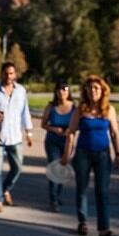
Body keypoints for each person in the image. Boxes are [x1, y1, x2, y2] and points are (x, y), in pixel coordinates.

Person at [61, 75, 119, 236]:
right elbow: (71, 133)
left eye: (97, 88)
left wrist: (117, 154)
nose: (93, 91)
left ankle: (104, 229)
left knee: (102, 192)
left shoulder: (109, 110)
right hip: (83, 154)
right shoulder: (80, 110)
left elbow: (115, 133)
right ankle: (83, 222)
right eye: (90, 88)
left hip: (102, 154)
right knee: (82, 189)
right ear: (86, 91)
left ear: (103, 91)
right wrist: (66, 155)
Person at [0, 62, 33, 212]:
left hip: (15, 137)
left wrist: (29, 132)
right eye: (5, 73)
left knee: (17, 168)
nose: (8, 76)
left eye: (11, 73)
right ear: (1, 74)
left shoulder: (21, 91)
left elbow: (25, 112)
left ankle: (5, 189)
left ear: (15, 74)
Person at [40, 80, 75, 212]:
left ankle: (58, 194)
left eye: (65, 89)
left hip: (67, 141)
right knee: (54, 167)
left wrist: (70, 131)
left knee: (63, 168)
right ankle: (53, 199)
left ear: (69, 91)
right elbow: (43, 124)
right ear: (56, 92)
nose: (62, 92)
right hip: (52, 141)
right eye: (59, 89)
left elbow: (78, 124)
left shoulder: (74, 107)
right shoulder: (51, 107)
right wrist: (54, 129)